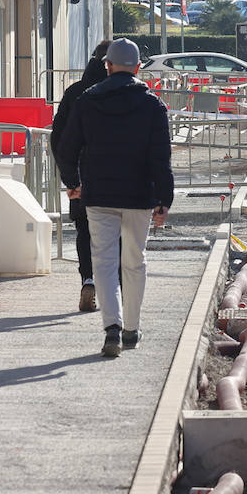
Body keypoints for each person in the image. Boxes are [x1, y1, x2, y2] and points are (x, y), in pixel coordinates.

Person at [56, 38, 174, 358]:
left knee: (104, 263)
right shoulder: (153, 105)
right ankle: (132, 328)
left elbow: (66, 146)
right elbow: (160, 158)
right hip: (139, 196)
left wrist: (73, 182)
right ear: (138, 68)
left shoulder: (86, 101)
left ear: (107, 66)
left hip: (99, 195)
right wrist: (164, 199)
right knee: (135, 261)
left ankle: (112, 329)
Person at [51, 40, 110, 312]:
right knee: (114, 233)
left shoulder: (74, 92)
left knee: (85, 229)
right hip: (114, 177)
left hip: (83, 177)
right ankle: (114, 292)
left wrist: (70, 179)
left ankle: (88, 280)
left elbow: (58, 138)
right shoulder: (119, 92)